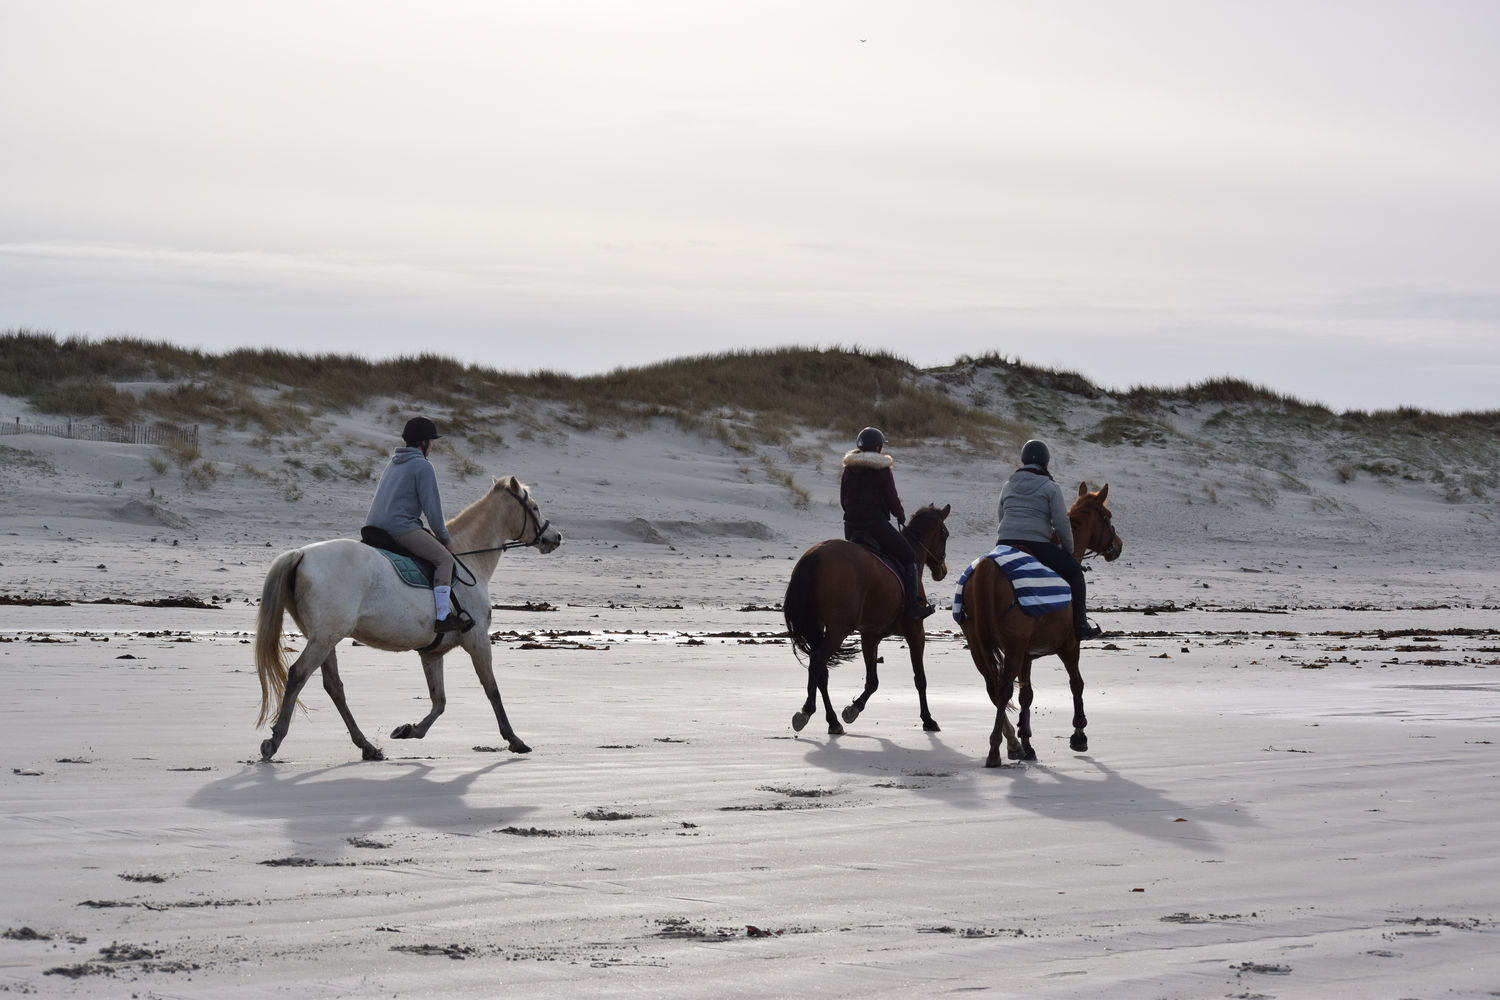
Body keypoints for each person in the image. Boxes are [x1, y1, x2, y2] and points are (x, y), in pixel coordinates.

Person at [365, 416, 471, 633]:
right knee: (444, 559)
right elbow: (433, 512)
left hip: (373, 527)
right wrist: (445, 540)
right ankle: (443, 617)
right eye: (431, 441)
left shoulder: (393, 462)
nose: (432, 446)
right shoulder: (423, 466)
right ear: (423, 443)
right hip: (400, 529)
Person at [996, 439, 1101, 640]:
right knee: (1075, 574)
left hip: (1004, 544)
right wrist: (1069, 552)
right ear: (1046, 463)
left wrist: (1006, 538)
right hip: (1036, 545)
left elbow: (1001, 516)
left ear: (1023, 461)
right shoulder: (1051, 487)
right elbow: (1062, 524)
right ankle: (1081, 625)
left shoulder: (1007, 486)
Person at [840, 426, 934, 620]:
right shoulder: (881, 467)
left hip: (850, 527)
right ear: (877, 447)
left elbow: (844, 499)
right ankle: (912, 607)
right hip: (875, 525)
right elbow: (891, 496)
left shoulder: (849, 468)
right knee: (908, 555)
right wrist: (899, 515)